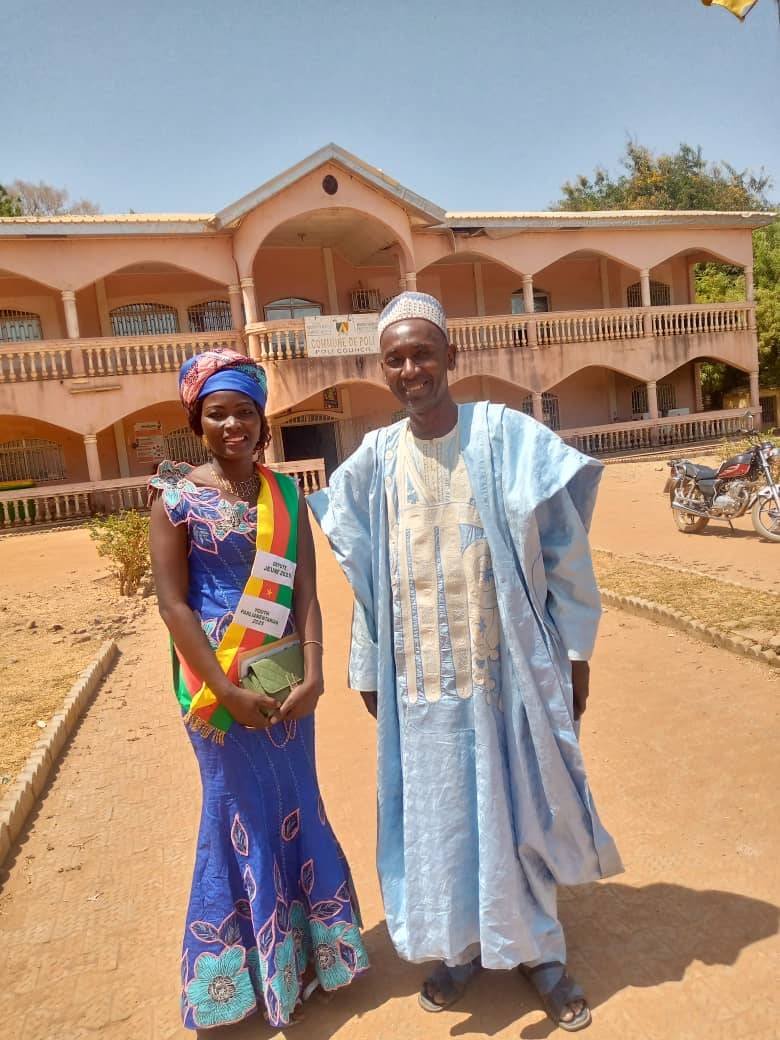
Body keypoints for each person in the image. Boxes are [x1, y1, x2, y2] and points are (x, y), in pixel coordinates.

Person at [309, 292, 622, 1032]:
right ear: (382, 368)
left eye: (423, 353)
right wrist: (367, 667)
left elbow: (564, 549)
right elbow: (363, 574)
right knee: (439, 817)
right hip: (419, 687)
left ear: (452, 357)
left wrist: (574, 654)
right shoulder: (374, 461)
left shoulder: (507, 436)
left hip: (507, 669)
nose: (411, 368)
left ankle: (539, 951)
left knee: (520, 804)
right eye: (396, 357)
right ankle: (458, 949)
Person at [149, 349, 368, 1032]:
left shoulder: (283, 496)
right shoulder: (175, 497)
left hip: (282, 681)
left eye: (244, 411)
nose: (233, 424)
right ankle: (238, 976)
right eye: (218, 413)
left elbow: (304, 585)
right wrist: (222, 687)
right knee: (233, 811)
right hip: (214, 688)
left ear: (260, 420)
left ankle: (314, 958)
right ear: (198, 421)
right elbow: (173, 603)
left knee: (295, 802)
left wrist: (316, 668)